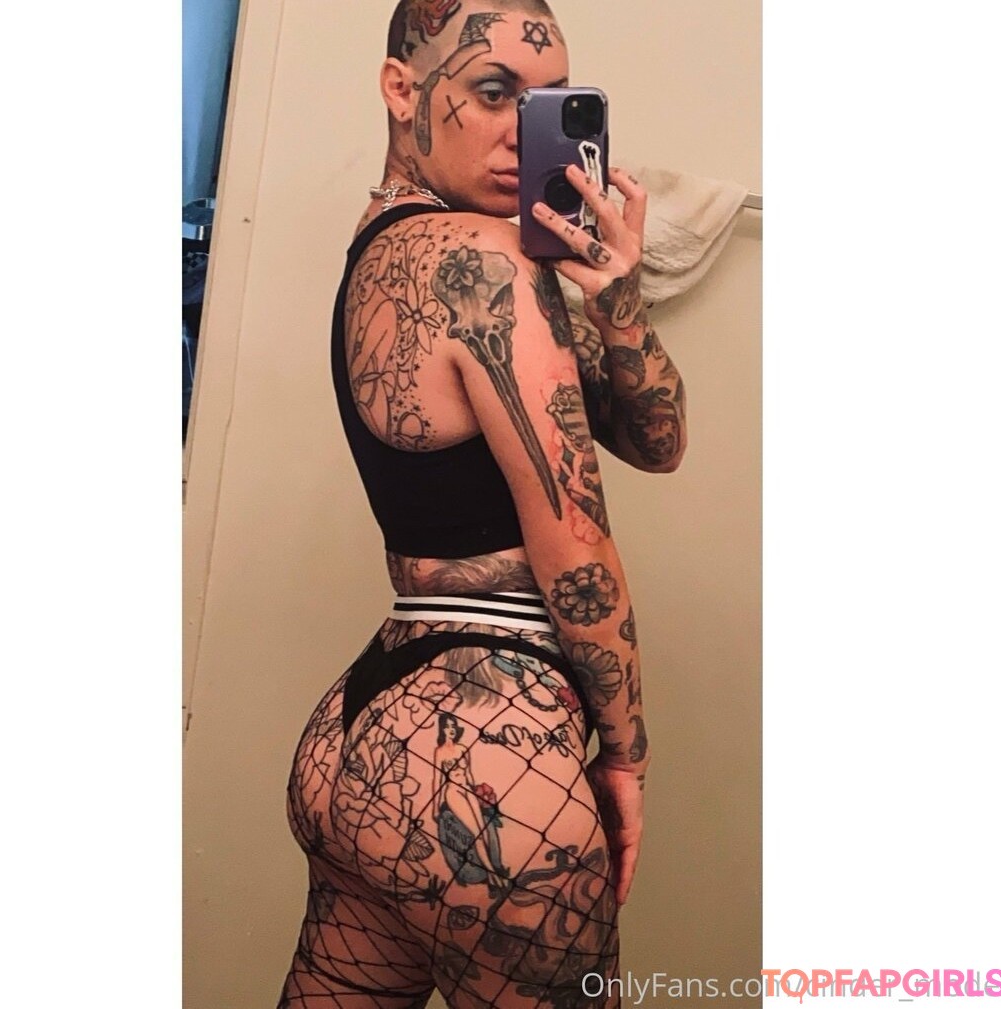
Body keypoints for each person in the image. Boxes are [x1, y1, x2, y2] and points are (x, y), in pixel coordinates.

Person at [279, 2, 687, 1005]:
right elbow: (575, 541)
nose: (521, 133)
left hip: (360, 743)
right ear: (401, 89)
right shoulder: (486, 259)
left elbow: (657, 441)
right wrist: (624, 755)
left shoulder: (388, 249)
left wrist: (616, 298)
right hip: (488, 759)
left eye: (546, 104)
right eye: (494, 92)